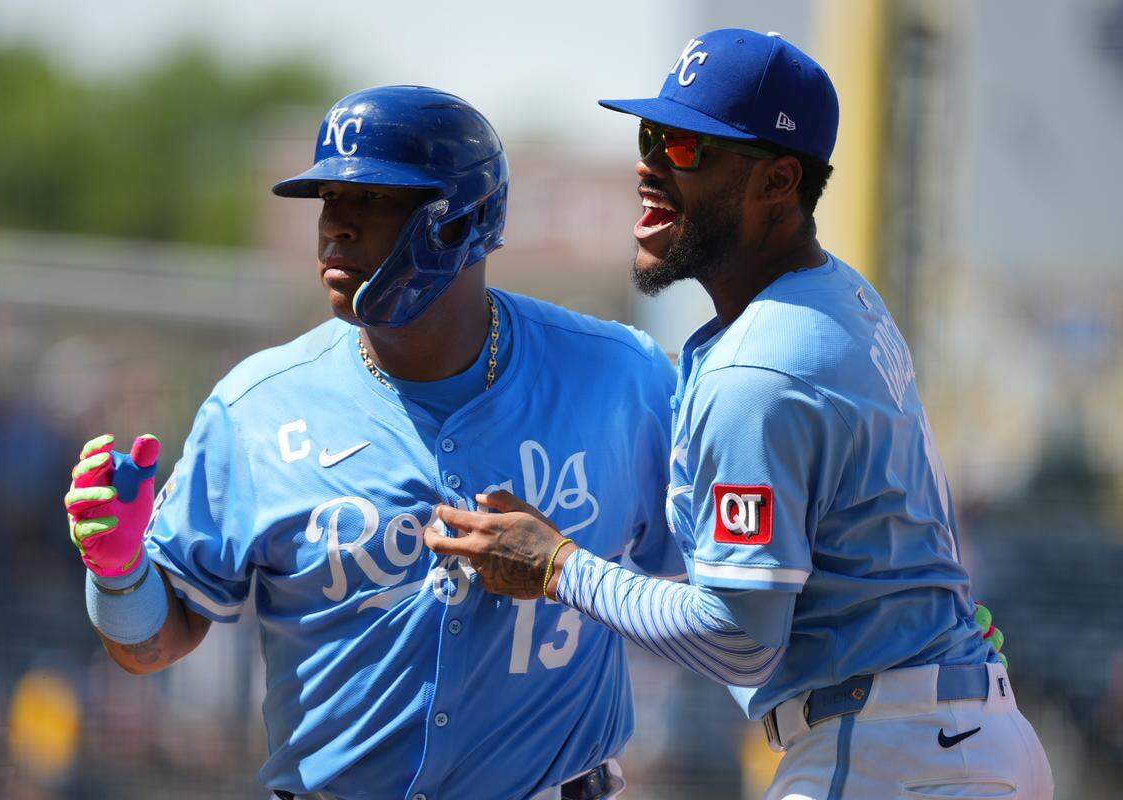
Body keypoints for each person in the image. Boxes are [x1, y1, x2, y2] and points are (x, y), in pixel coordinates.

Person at [425, 29, 1053, 800]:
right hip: (947, 732)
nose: (649, 165)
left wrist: (559, 568)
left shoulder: (761, 364)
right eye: (652, 134)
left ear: (778, 182)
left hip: (895, 756)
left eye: (690, 148)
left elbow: (738, 640)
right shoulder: (837, 295)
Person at [62, 85, 684, 800]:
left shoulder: (618, 377)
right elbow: (151, 646)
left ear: (462, 220)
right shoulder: (256, 406)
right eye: (329, 198)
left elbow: (725, 592)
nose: (337, 227)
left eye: (376, 201)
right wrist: (117, 570)